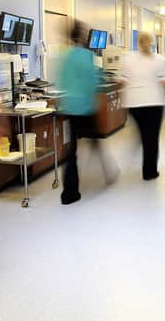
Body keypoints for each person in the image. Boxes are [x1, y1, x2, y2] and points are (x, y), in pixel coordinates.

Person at [58, 21, 116, 205]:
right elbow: (93, 81)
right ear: (83, 36)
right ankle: (108, 174)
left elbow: (62, 82)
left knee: (71, 151)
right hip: (85, 107)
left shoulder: (66, 56)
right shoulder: (87, 56)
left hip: (69, 107)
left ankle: (69, 193)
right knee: (96, 141)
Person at [121, 32, 165, 180]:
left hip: (134, 103)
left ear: (138, 42)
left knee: (145, 134)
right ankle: (149, 172)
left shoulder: (127, 58)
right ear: (151, 42)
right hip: (154, 102)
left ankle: (142, 141)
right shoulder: (160, 59)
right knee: (152, 138)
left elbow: (123, 79)